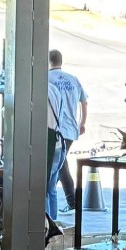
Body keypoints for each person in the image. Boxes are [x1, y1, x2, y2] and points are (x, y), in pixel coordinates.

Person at [46, 49, 87, 220]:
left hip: (55, 129)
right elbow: (84, 101)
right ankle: (68, 201)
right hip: (70, 129)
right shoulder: (73, 79)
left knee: (59, 165)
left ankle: (71, 201)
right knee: (60, 163)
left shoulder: (46, 78)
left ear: (48, 61)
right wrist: (82, 122)